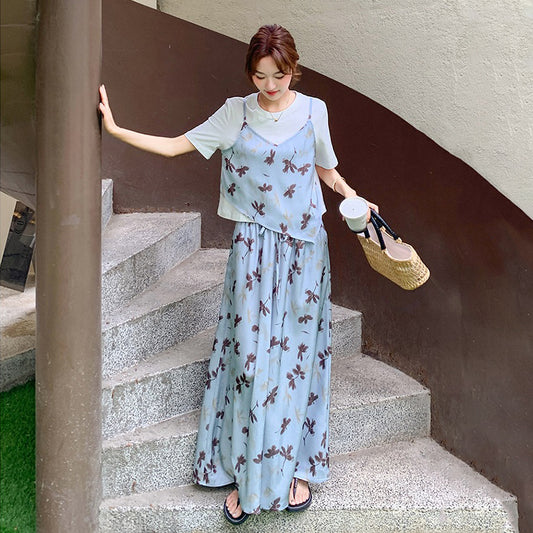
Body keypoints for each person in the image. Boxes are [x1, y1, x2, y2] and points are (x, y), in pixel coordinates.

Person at [99, 24, 378, 525]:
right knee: (249, 360)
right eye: (260, 75)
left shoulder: (314, 111)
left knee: (296, 361)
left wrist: (356, 198)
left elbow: (323, 168)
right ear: (250, 72)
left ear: (294, 70)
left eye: (279, 76)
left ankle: (293, 468)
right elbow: (176, 146)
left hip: (305, 250)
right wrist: (117, 131)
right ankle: (246, 471)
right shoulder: (235, 113)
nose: (270, 85)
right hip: (252, 251)